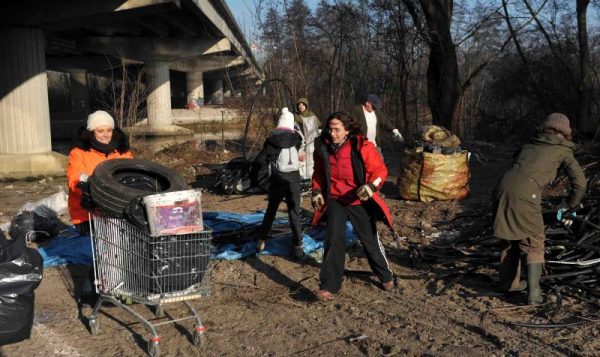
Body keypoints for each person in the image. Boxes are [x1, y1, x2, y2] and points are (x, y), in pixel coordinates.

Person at [493, 113, 586, 305]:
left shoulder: (528, 146)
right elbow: (580, 183)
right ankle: (534, 294)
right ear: (566, 133)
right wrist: (570, 205)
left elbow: (520, 171)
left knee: (510, 238)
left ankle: (508, 284)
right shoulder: (563, 151)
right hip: (524, 196)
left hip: (501, 191)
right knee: (534, 241)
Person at [311, 111, 394, 301]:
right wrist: (316, 191)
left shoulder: (361, 146)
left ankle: (385, 275)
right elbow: (319, 173)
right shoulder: (322, 147)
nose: (332, 134)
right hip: (336, 200)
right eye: (330, 129)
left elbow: (380, 170)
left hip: (359, 200)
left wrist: (372, 186)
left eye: (337, 130)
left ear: (347, 130)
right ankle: (329, 286)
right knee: (333, 239)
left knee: (369, 240)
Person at [66, 110, 133, 307]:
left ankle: (116, 287)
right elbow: (74, 179)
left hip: (117, 209)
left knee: (119, 249)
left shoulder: (122, 151)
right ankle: (90, 292)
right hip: (89, 210)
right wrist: (86, 190)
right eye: (100, 130)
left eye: (109, 130)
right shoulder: (79, 153)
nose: (105, 134)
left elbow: (130, 175)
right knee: (105, 250)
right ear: (91, 132)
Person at [253, 108, 306, 259]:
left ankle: (261, 241)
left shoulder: (271, 141)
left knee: (271, 212)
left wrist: (256, 179)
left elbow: (260, 161)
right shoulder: (297, 139)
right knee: (294, 212)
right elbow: (300, 155)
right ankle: (298, 247)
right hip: (294, 179)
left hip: (278, 179)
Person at [294, 98, 321, 180]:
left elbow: (318, 127)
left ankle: (311, 176)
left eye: (302, 105)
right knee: (301, 160)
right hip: (300, 140)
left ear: (306, 106)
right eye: (299, 105)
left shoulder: (311, 115)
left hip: (311, 140)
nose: (300, 107)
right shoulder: (296, 116)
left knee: (311, 159)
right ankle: (302, 177)